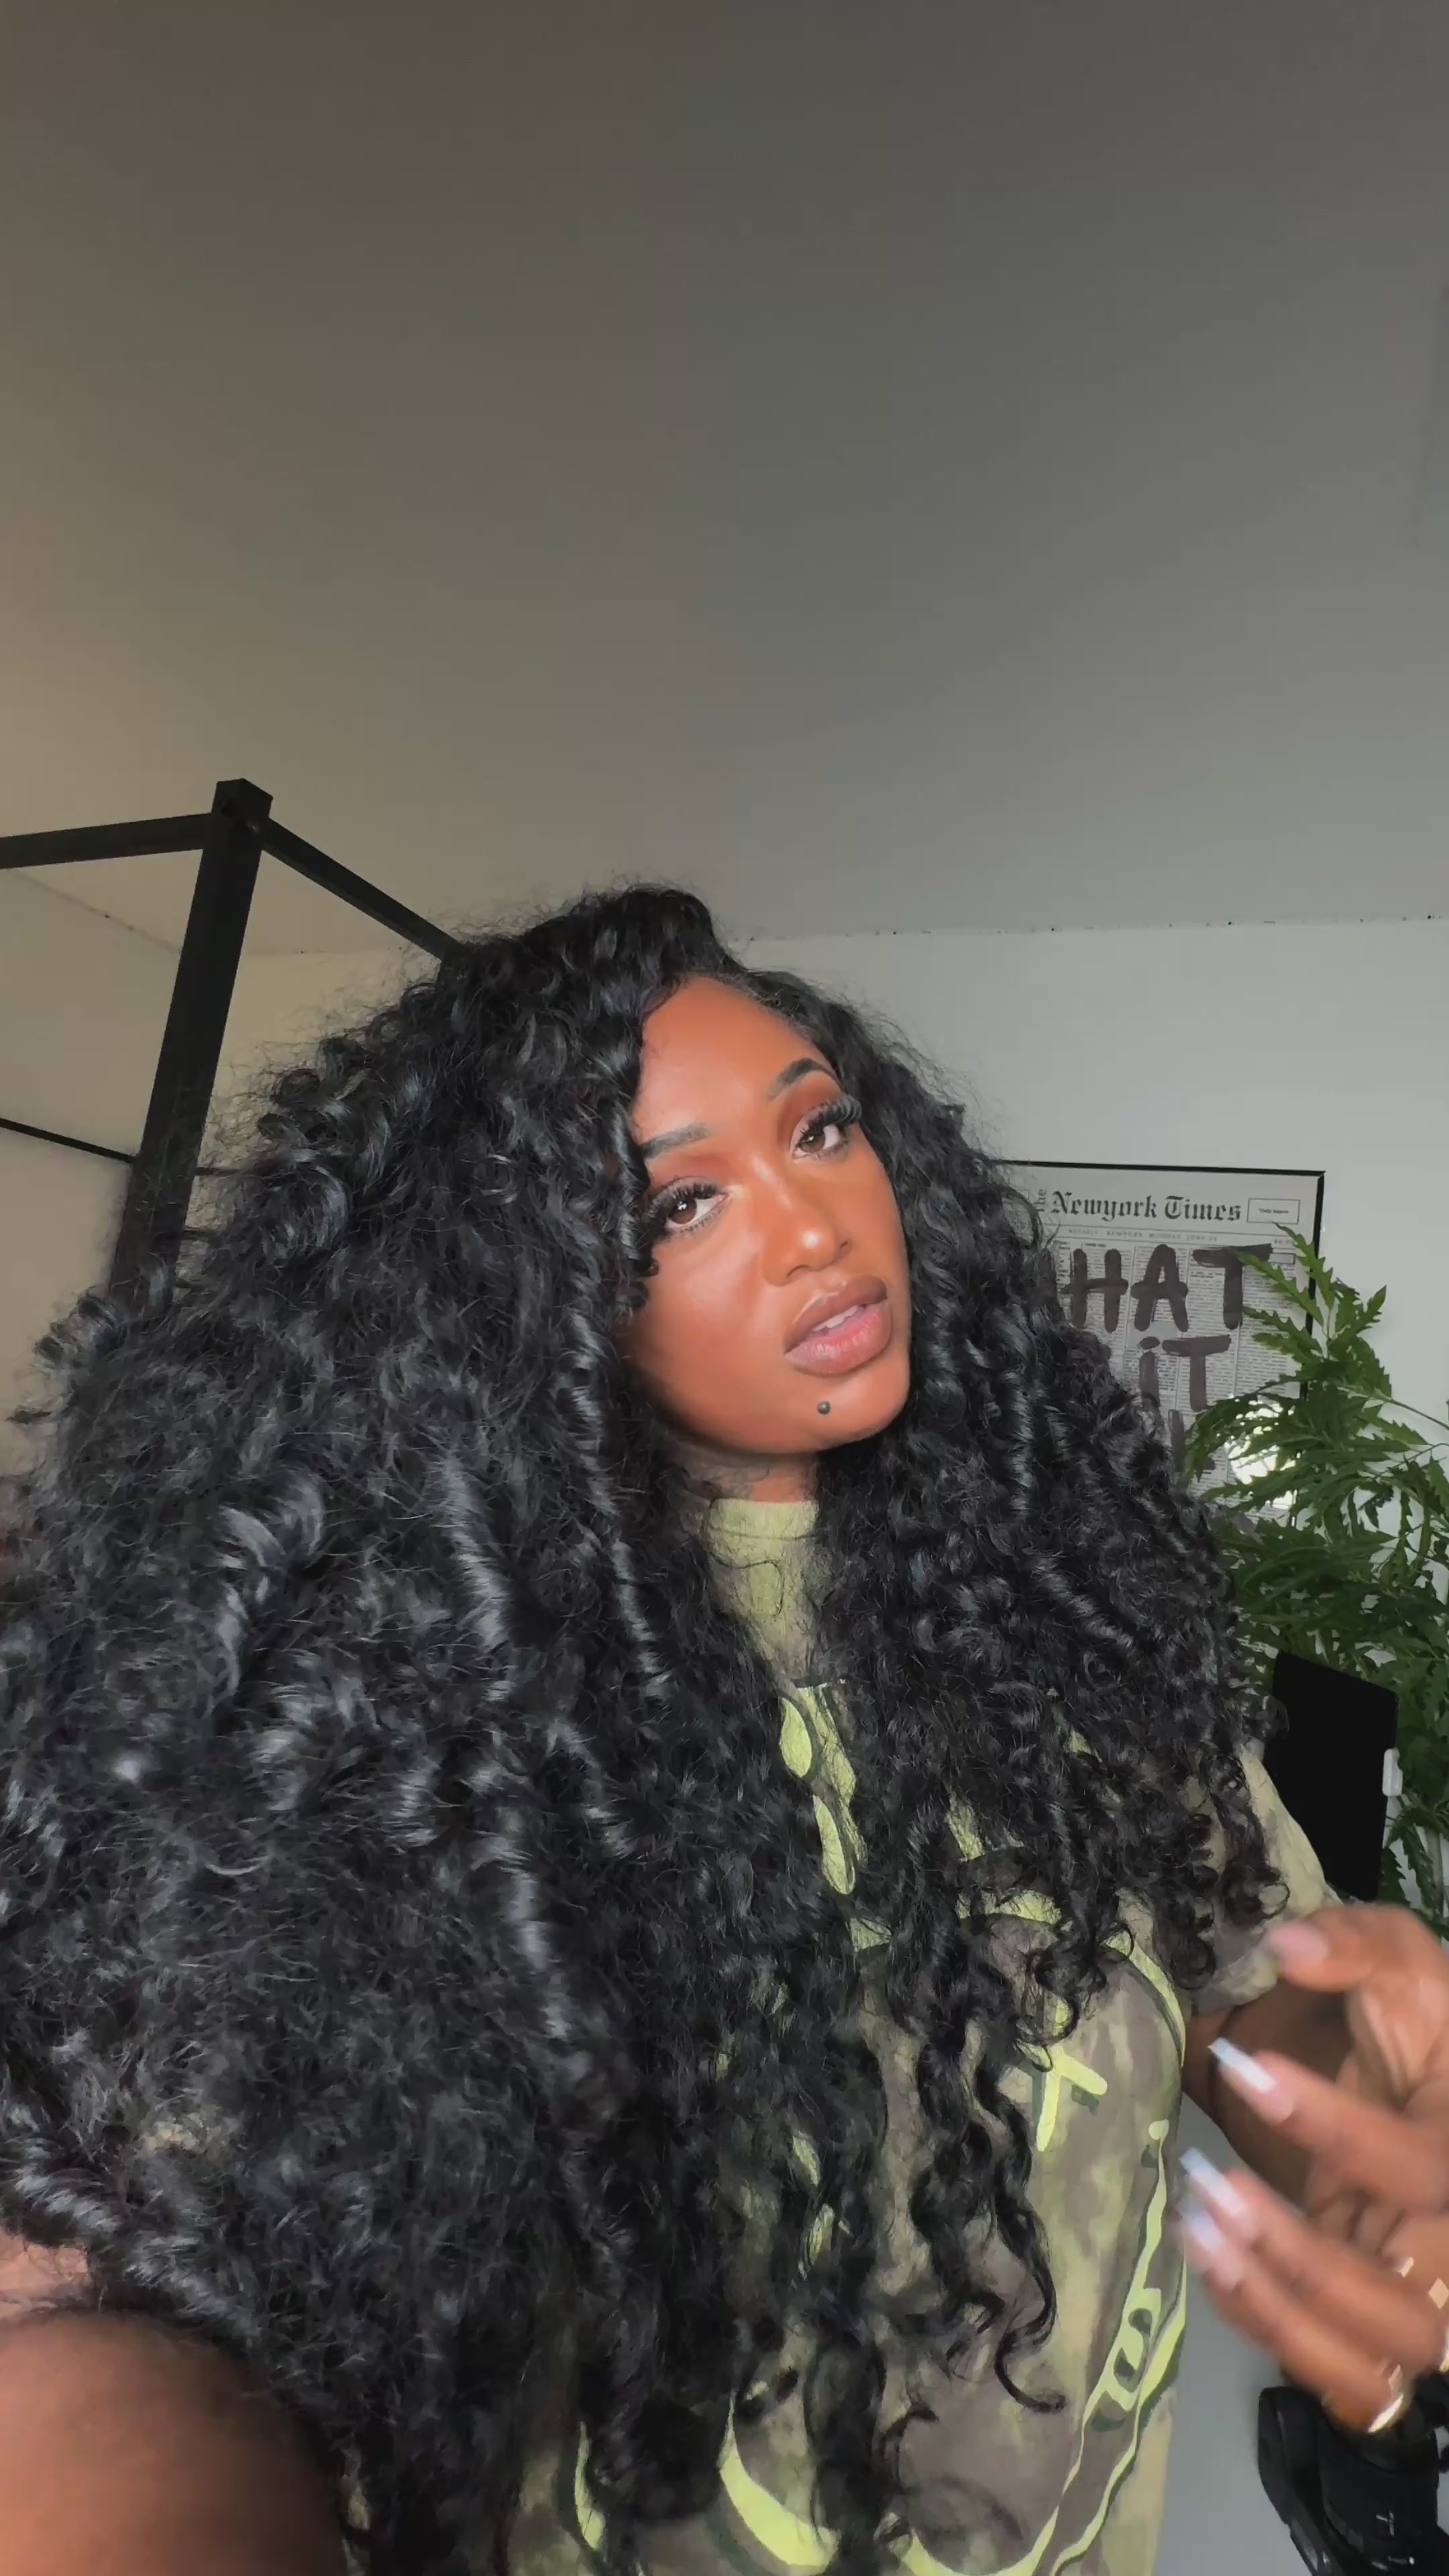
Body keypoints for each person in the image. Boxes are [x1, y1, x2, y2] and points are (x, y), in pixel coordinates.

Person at [0, 883, 1447, 2576]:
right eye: (682, 1202)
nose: (816, 1226)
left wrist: (1376, 2115)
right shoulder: (387, 1732)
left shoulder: (1062, 1613)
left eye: (819, 1129)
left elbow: (1247, 1984)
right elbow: (145, 2311)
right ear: (525, 1289)